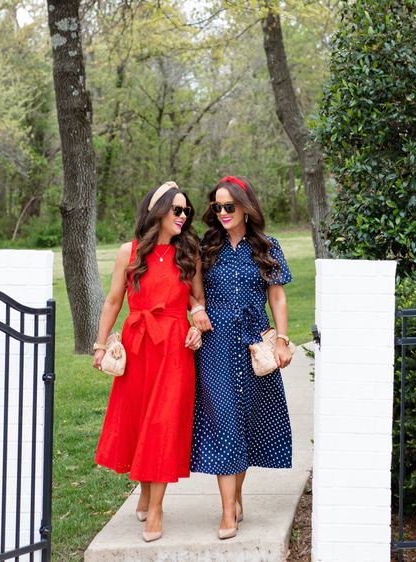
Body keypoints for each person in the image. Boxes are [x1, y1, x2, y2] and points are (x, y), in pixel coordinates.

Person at [93, 181, 204, 542]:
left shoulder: (190, 253)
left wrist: (197, 324)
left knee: (163, 423)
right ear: (158, 212)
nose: (184, 217)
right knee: (141, 421)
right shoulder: (129, 252)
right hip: (138, 344)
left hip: (174, 348)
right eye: (177, 210)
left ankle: (156, 509)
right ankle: (144, 490)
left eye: (187, 211)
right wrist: (99, 344)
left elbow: (197, 301)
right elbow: (112, 301)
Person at [190, 175, 293, 540]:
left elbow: (277, 297)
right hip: (215, 347)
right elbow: (192, 289)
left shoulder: (268, 246)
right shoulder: (207, 246)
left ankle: (235, 496)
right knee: (224, 425)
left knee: (246, 423)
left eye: (228, 206)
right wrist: (196, 310)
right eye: (216, 207)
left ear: (246, 208)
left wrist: (281, 339)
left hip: (253, 345)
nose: (222, 213)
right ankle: (227, 511)